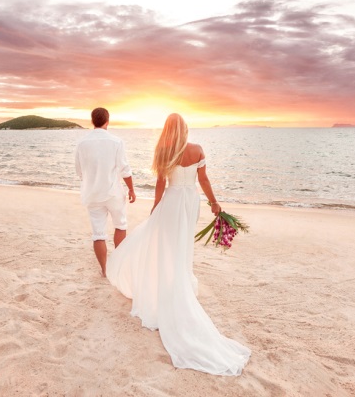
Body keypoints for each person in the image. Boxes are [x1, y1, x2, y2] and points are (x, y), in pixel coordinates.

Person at [106, 113, 250, 376]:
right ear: (184, 128)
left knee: (167, 245)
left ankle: (171, 283)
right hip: (189, 202)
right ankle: (180, 281)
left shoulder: (163, 150)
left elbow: (161, 183)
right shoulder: (197, 149)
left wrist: (155, 208)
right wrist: (214, 203)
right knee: (183, 245)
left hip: (171, 202)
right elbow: (203, 180)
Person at [75, 107, 136, 277]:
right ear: (107, 121)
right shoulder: (116, 142)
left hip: (92, 194)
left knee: (98, 234)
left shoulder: (82, 143)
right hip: (113, 193)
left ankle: (104, 270)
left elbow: (79, 170)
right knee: (121, 225)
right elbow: (125, 169)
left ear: (93, 121)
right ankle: (119, 265)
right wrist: (131, 189)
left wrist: (92, 181)